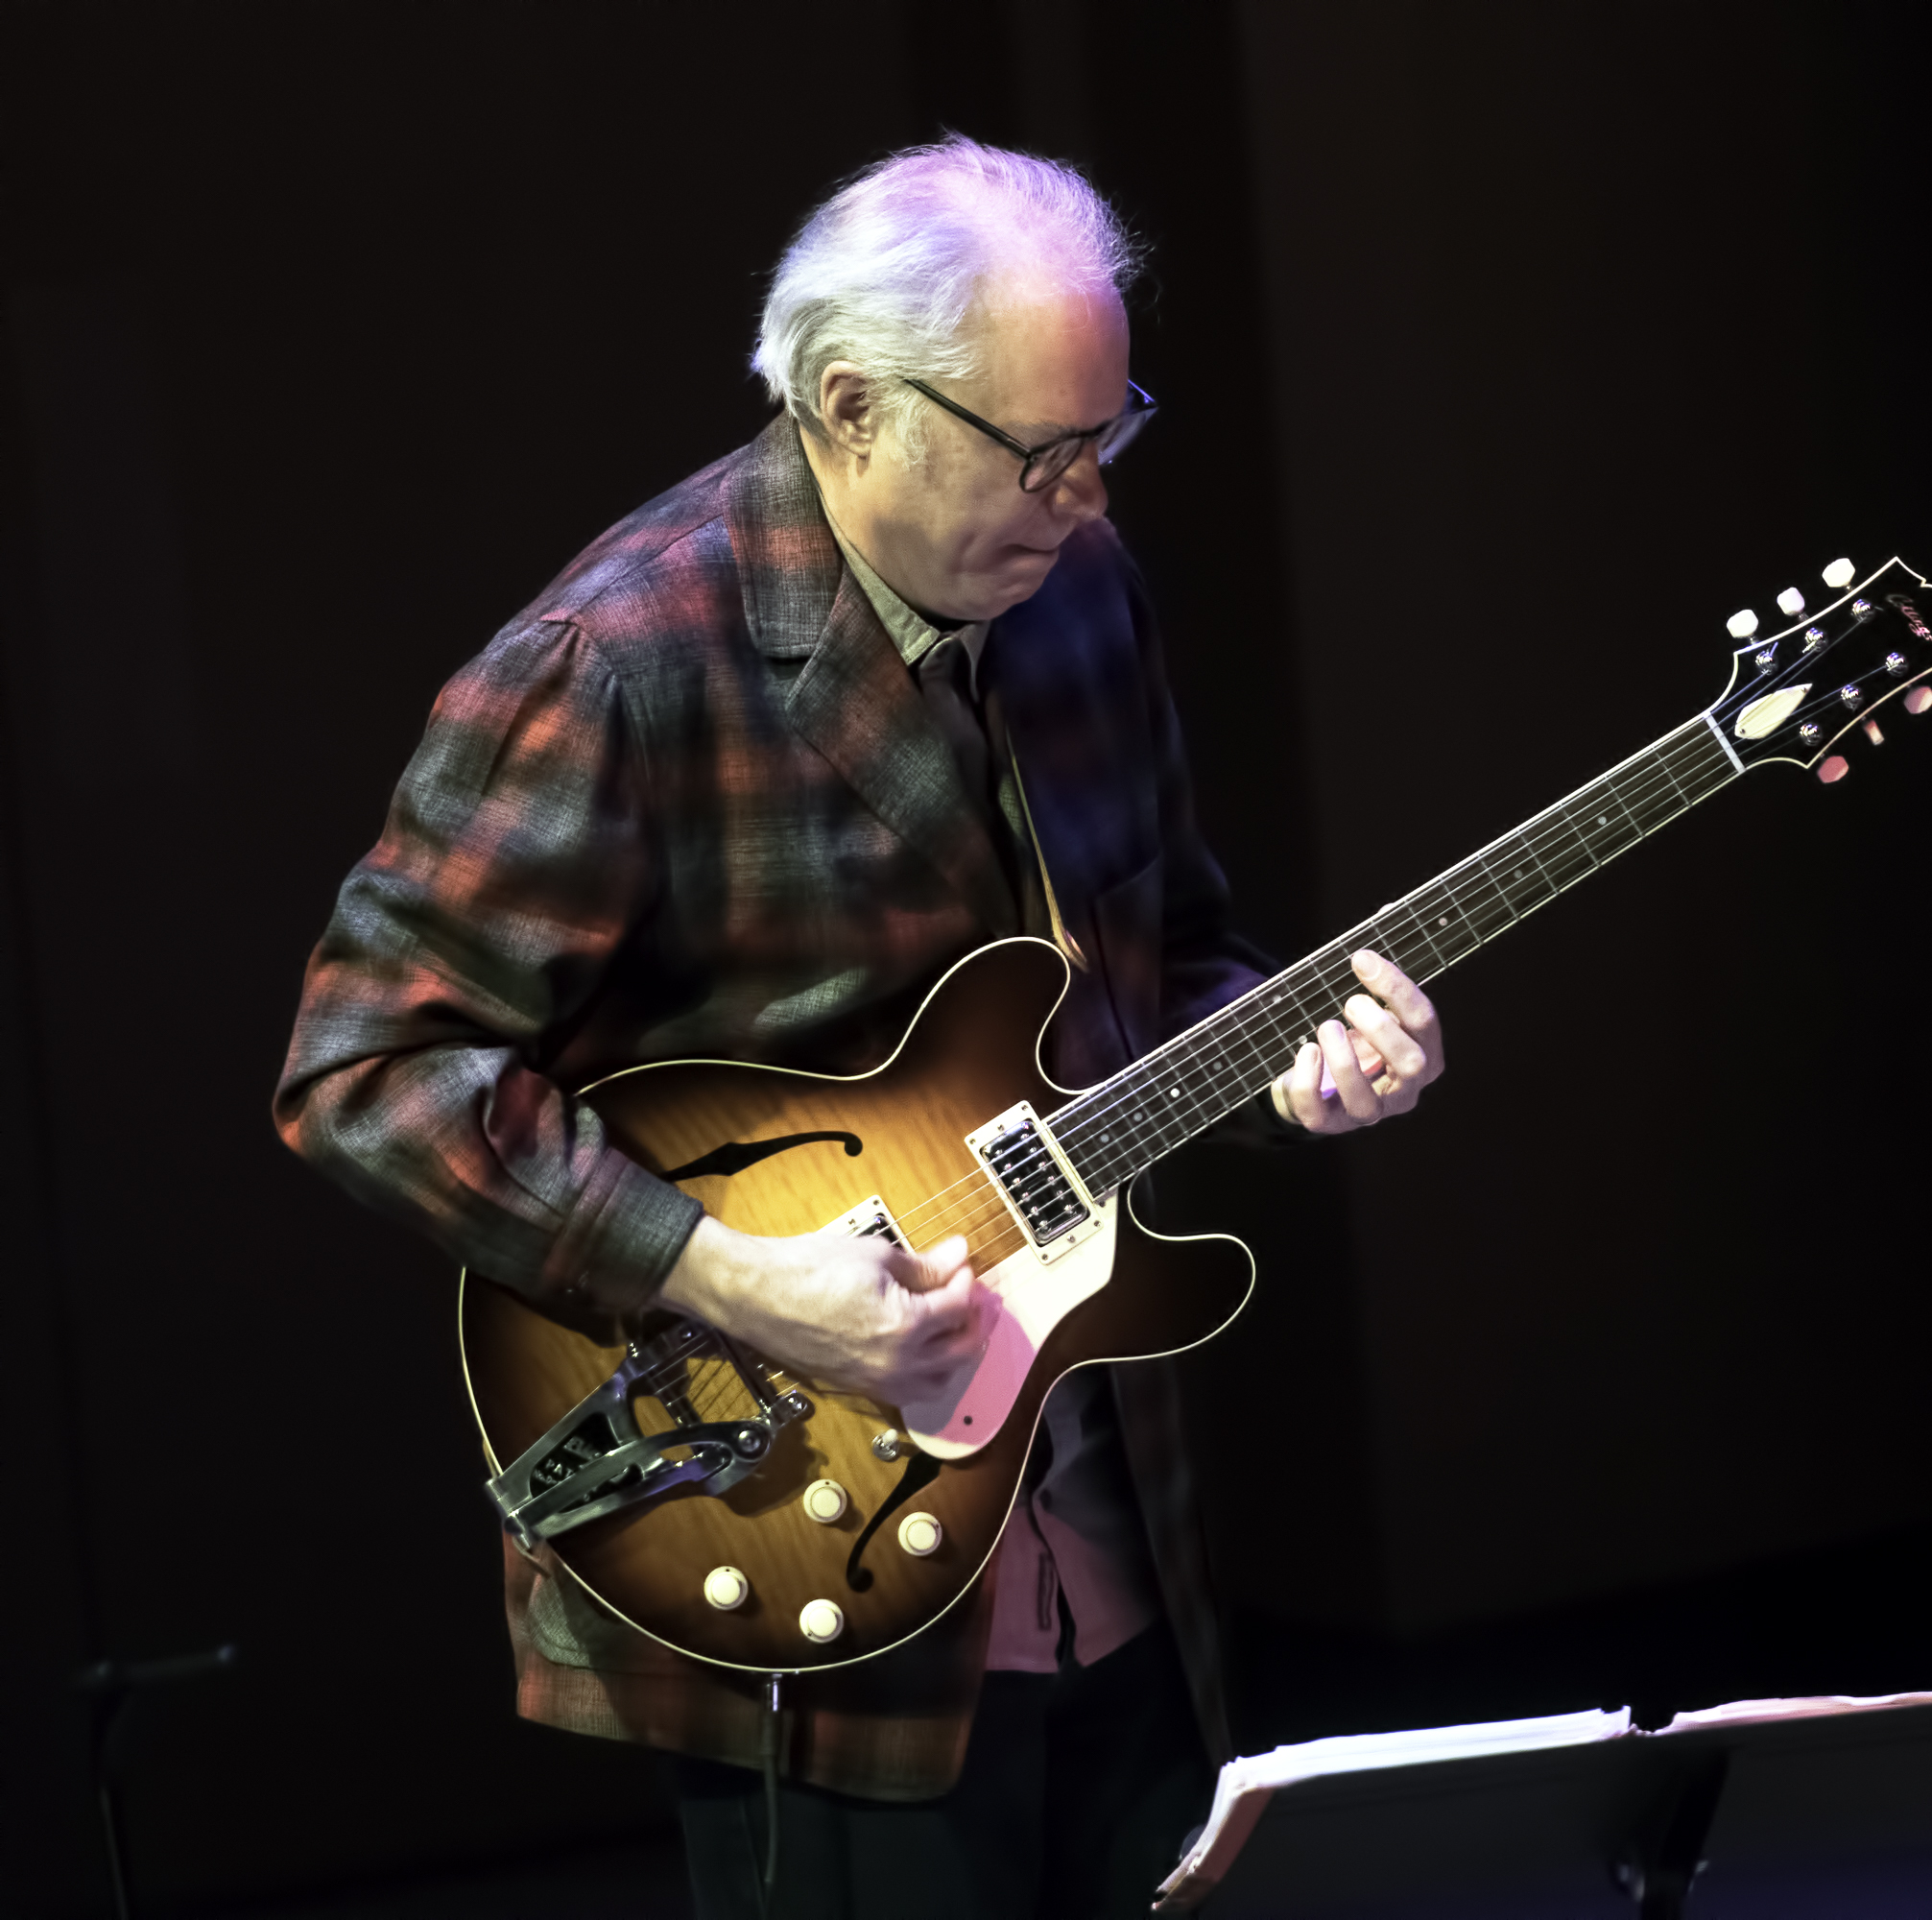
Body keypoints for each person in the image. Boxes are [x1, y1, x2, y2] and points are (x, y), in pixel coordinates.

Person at [274, 137, 1443, 1920]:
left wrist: (1296, 1069)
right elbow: (368, 1071)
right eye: (1038, 452)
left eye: (1107, 436)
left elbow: (1173, 962)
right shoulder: (622, 655)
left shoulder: (1080, 602)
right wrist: (723, 1273)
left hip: (1107, 1525)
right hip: (789, 1539)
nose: (1089, 499)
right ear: (847, 405)